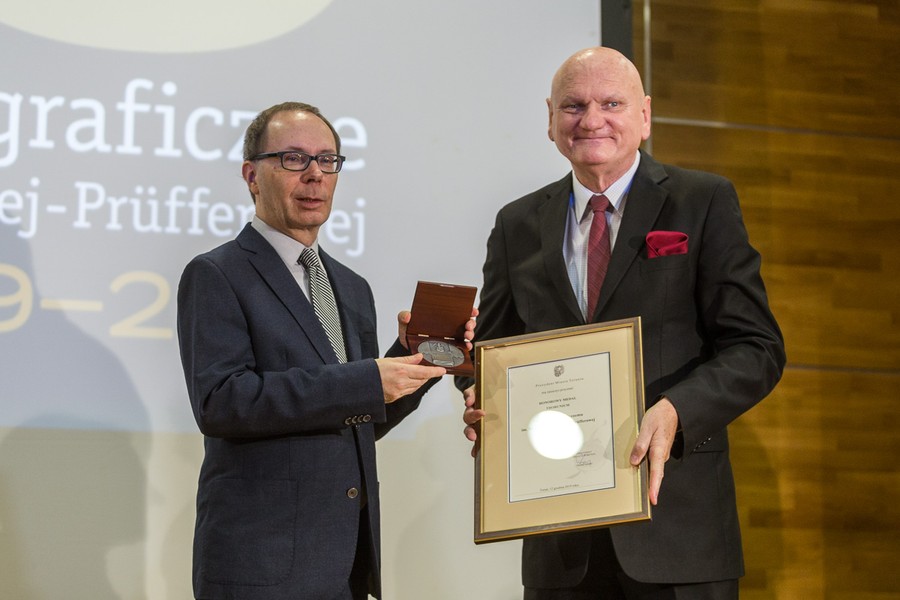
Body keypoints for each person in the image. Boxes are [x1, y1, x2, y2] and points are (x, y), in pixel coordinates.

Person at [459, 47, 786, 598]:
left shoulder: (701, 202)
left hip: (678, 532)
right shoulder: (516, 223)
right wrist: (481, 398)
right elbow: (494, 350)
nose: (591, 120)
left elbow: (757, 348)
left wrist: (678, 409)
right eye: (573, 105)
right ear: (550, 119)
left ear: (645, 115)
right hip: (560, 541)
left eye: (611, 102)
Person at [177, 101, 470, 600]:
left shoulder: (351, 288)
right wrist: (367, 380)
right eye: (293, 159)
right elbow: (222, 402)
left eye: (327, 161)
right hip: (261, 567)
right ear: (252, 175)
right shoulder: (217, 274)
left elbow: (358, 422)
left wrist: (415, 357)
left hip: (345, 566)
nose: (314, 175)